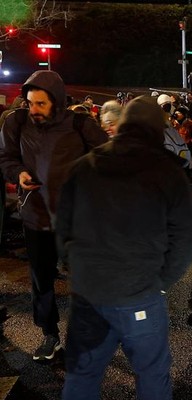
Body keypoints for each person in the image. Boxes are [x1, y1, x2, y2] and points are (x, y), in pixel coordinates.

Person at [55, 96, 192, 400]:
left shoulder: (85, 165)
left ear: (121, 125)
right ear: (156, 130)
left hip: (89, 290)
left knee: (84, 366)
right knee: (150, 368)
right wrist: (162, 281)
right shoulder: (166, 171)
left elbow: (62, 224)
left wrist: (75, 266)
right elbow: (185, 237)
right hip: (139, 291)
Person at [0, 70, 108, 361]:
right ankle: (50, 335)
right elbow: (6, 158)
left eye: (41, 104)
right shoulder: (16, 122)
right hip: (35, 216)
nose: (33, 110)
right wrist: (18, 173)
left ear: (57, 102)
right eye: (30, 103)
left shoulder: (80, 124)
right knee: (41, 281)